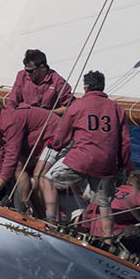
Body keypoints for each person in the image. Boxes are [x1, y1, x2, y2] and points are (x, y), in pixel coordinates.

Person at [39, 70, 129, 235]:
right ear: (102, 87)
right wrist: (121, 165)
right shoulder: (117, 109)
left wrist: (56, 144)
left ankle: (51, 220)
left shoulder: (77, 106)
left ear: (86, 87)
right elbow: (125, 143)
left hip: (81, 160)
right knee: (104, 205)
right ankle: (107, 240)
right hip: (106, 164)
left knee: (49, 181)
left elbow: (62, 136)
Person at [0, 103, 62, 212]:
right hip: (38, 140)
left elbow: (12, 155)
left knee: (29, 171)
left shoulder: (10, 122)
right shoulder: (1, 125)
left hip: (54, 137)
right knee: (17, 166)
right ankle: (27, 208)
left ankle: (27, 208)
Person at [83, 169, 140, 265]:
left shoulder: (108, 191)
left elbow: (86, 216)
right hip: (115, 242)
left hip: (93, 237)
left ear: (128, 181)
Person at [8, 49, 73, 113]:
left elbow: (69, 107)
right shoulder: (22, 75)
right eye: (26, 69)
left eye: (30, 71)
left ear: (42, 68)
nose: (27, 73)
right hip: (25, 116)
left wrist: (49, 113)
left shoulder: (58, 81)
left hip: (47, 120)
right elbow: (12, 102)